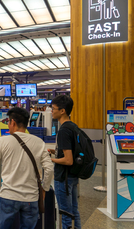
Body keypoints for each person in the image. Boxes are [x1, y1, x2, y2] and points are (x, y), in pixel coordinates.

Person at [0, 108, 54, 229]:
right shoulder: (39, 142)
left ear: (12, 122)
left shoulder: (3, 141)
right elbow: (49, 168)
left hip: (8, 195)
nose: (8, 125)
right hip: (31, 197)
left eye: (8, 122)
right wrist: (44, 189)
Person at [48, 95, 81, 229]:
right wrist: (55, 152)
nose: (51, 111)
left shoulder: (63, 131)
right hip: (72, 176)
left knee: (66, 213)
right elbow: (70, 152)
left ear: (62, 111)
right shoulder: (73, 126)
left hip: (64, 178)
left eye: (53, 108)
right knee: (74, 210)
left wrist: (50, 159)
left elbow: (68, 160)